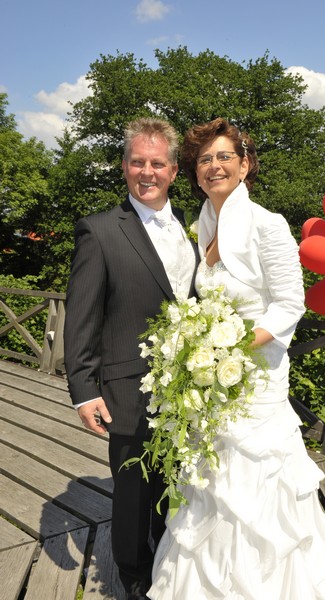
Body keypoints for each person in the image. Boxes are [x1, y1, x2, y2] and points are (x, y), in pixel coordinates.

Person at [148, 118, 325, 599]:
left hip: (256, 383)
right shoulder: (202, 223)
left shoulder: (267, 224)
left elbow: (289, 303)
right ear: (195, 173)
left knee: (256, 488)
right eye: (204, 160)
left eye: (224, 157)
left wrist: (234, 347)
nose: (213, 166)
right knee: (211, 484)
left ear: (244, 165)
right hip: (212, 383)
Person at [64, 117, 199, 600]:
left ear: (173, 170)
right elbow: (81, 317)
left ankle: (167, 570)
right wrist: (83, 391)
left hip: (188, 393)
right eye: (137, 162)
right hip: (126, 393)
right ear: (123, 166)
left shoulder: (190, 226)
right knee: (132, 499)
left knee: (175, 491)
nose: (147, 171)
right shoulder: (99, 231)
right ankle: (134, 581)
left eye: (157, 163)